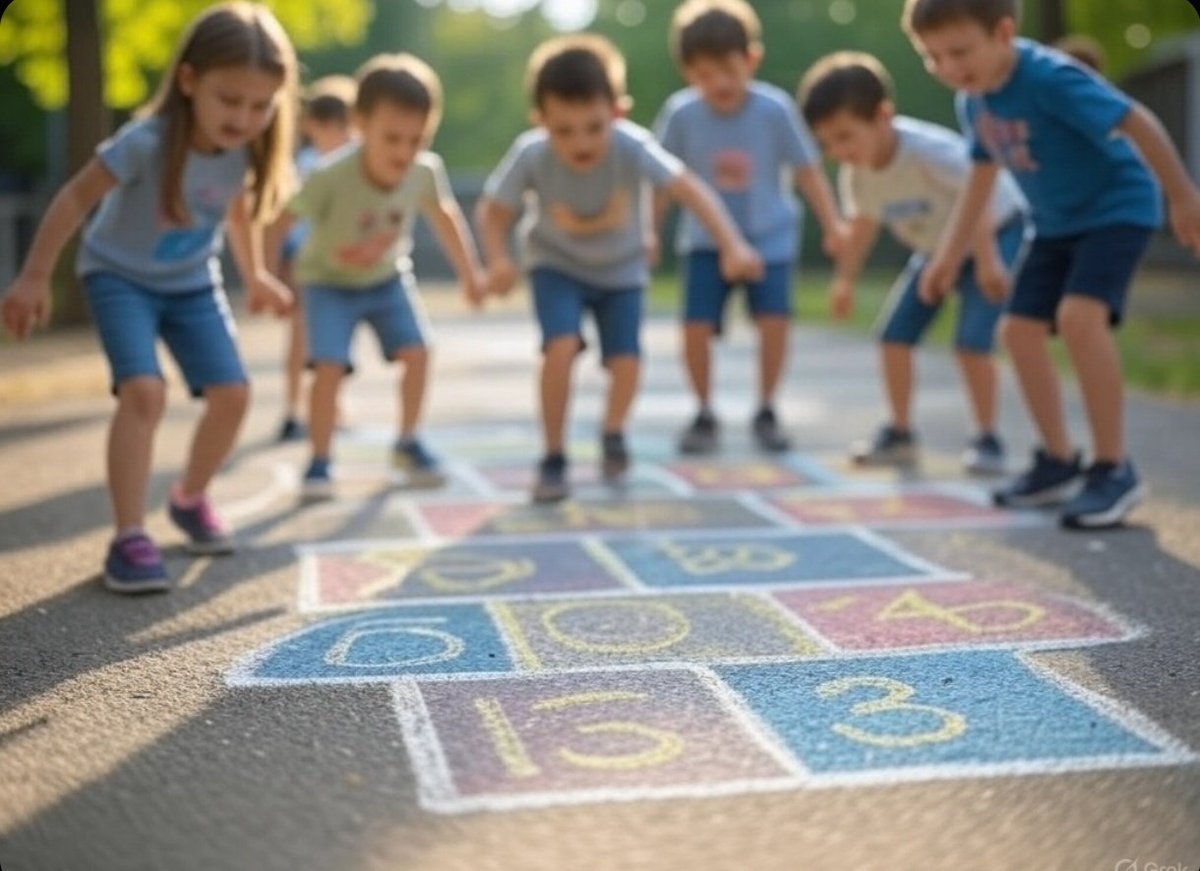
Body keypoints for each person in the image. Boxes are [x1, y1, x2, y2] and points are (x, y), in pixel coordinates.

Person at [0, 2, 296, 593]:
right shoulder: (146, 142)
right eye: (229, 100)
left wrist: (257, 273)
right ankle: (129, 536)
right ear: (188, 81)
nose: (243, 117)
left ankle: (189, 498)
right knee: (144, 392)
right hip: (119, 278)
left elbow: (236, 214)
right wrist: (34, 275)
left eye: (260, 105)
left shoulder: (247, 149)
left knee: (233, 393)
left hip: (192, 283)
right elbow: (74, 198)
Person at [903, 0, 1200, 527]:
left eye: (960, 52)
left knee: (1079, 319)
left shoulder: (1050, 79)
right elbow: (978, 184)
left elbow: (1139, 121)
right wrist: (946, 258)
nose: (949, 69)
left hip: (1117, 207)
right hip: (1053, 224)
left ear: (1003, 32)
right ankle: (1058, 462)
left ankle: (1114, 469)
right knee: (1017, 331)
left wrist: (1182, 196)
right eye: (931, 58)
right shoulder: (975, 102)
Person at [477, 33, 762, 503]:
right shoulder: (531, 154)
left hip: (621, 271)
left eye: (593, 126)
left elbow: (690, 189)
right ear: (540, 121)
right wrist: (499, 259)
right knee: (561, 346)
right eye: (562, 130)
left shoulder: (634, 147)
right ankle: (554, 455)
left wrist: (732, 243)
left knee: (627, 362)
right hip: (556, 265)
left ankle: (613, 432)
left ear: (618, 112)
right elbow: (494, 210)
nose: (580, 142)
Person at [799, 51, 1030, 474]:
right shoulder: (858, 174)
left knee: (972, 343)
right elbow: (864, 226)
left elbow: (975, 195)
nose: (838, 151)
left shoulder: (929, 152)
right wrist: (844, 280)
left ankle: (987, 438)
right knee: (894, 336)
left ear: (882, 116)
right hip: (936, 252)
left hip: (992, 233)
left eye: (845, 136)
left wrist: (989, 260)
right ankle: (900, 432)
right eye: (827, 142)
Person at [276, 53, 486, 500]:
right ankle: (319, 458)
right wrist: (259, 273)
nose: (404, 152)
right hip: (326, 282)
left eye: (417, 139)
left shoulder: (424, 171)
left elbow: (445, 217)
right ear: (360, 123)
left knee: (419, 352)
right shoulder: (328, 175)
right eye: (392, 138)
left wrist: (470, 274)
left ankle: (408, 442)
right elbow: (280, 221)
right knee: (329, 366)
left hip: (387, 277)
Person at [654, 0, 847, 455]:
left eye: (727, 69)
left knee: (774, 321)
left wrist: (833, 223)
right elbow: (660, 181)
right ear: (686, 72)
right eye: (703, 74)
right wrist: (649, 230)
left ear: (751, 59)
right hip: (705, 241)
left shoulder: (774, 109)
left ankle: (766, 408)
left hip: (769, 238)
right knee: (696, 327)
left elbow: (808, 171)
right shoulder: (681, 115)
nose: (717, 84)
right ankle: (703, 411)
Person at [272, 75, 357, 443]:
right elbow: (283, 221)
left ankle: (331, 406)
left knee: (337, 341)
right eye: (331, 126)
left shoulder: (357, 165)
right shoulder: (303, 166)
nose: (340, 134)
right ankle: (293, 408)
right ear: (312, 127)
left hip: (342, 264)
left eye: (345, 127)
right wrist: (278, 265)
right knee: (300, 337)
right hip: (304, 261)